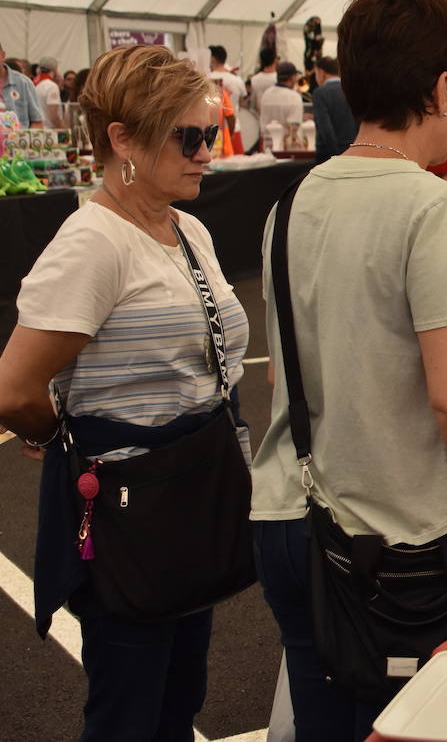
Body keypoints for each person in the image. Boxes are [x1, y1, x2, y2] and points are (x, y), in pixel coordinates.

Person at [251, 0, 447, 741]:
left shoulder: (292, 202)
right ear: (439, 88)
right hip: (394, 541)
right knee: (415, 724)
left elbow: (282, 372)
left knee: (324, 718)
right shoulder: (434, 207)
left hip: (289, 520)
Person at [0, 45, 250, 740]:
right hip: (131, 514)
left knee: (177, 698)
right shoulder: (94, 243)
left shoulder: (184, 226)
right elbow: (14, 386)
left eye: (214, 131)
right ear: (122, 139)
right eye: (192, 136)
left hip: (186, 500)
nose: (208, 151)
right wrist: (54, 436)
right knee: (128, 712)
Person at [310, 55, 357, 163]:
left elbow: (325, 128)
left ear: (321, 72)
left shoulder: (320, 93)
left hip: (327, 154)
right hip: (351, 150)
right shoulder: (351, 90)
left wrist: (335, 157)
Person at [260, 61, 304, 148]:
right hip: (285, 148)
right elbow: (294, 128)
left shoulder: (266, 94)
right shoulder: (294, 97)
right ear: (292, 77)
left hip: (267, 146)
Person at [0, 44, 44, 128]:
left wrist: (26, 139)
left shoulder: (24, 83)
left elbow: (37, 122)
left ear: (2, 55)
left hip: (19, 139)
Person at [208, 45, 248, 115]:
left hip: (214, 123)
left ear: (212, 59)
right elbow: (242, 103)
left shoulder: (206, 79)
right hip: (233, 122)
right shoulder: (237, 80)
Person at [35, 56, 63, 127]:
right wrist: (64, 131)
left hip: (37, 129)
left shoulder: (34, 83)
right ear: (54, 70)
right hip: (50, 132)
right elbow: (53, 116)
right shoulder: (51, 86)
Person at [249, 48, 278, 113]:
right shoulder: (278, 78)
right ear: (275, 60)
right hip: (277, 115)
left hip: (260, 116)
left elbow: (252, 102)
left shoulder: (254, 79)